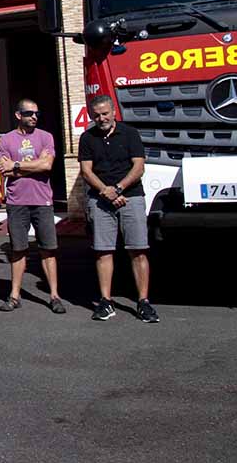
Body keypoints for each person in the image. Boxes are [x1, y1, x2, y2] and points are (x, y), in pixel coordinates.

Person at [78, 94, 159, 323]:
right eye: (96, 115)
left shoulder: (130, 133)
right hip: (100, 199)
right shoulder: (87, 138)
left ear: (114, 112)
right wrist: (106, 191)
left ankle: (143, 302)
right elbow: (86, 171)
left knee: (138, 250)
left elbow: (139, 166)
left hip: (131, 196)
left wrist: (118, 188)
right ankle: (106, 301)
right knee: (103, 251)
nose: (101, 118)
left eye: (105, 113)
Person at [0, 100, 65, 314]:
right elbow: (4, 171)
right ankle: (14, 296)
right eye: (29, 113)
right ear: (18, 115)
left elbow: (47, 165)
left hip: (42, 200)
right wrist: (33, 166)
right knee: (18, 250)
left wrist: (17, 165)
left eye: (36, 113)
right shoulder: (6, 140)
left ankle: (54, 296)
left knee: (48, 249)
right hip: (17, 201)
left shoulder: (45, 137)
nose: (34, 116)